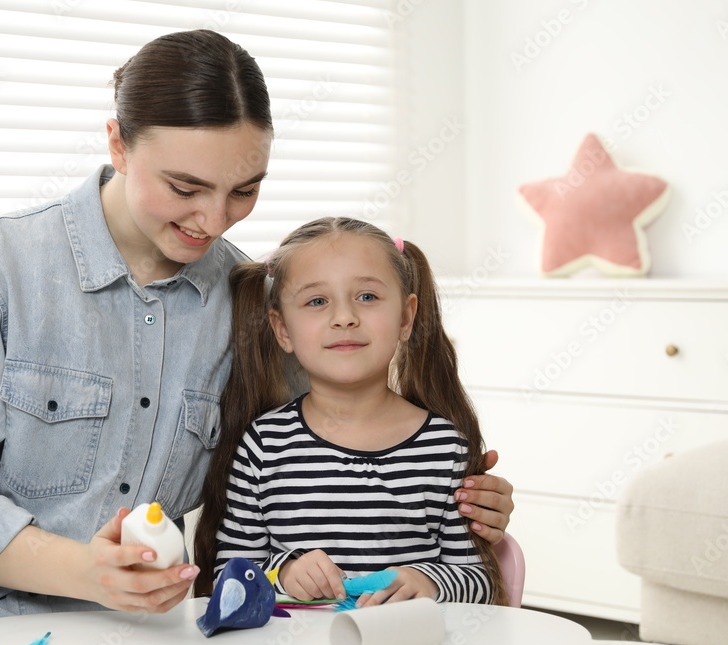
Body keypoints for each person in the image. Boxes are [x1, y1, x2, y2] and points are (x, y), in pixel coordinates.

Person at [0, 30, 513, 645]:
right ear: (119, 145)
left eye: (244, 190)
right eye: (185, 188)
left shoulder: (250, 301)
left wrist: (469, 500)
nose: (213, 220)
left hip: (120, 633)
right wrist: (85, 569)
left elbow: (332, 447)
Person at [194, 217, 507, 607]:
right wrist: (286, 575)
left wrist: (427, 582)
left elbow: (479, 582)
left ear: (406, 318)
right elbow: (229, 580)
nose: (344, 317)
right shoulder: (264, 446)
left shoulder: (445, 447)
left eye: (367, 297)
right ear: (282, 329)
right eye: (317, 301)